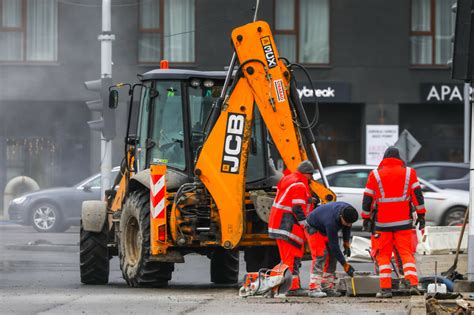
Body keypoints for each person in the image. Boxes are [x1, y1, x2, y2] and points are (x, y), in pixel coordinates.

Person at [362, 146, 426, 298]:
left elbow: (367, 199)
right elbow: (417, 195)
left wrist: (365, 217)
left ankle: (386, 290)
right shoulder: (410, 173)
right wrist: (421, 215)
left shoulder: (375, 174)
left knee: (383, 255)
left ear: (384, 158)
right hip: (403, 222)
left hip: (382, 224)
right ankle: (413, 284)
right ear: (399, 158)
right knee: (406, 253)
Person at [268, 160, 315, 296]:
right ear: (306, 174)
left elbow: (292, 200)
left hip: (278, 224)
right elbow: (297, 208)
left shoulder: (289, 180)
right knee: (292, 258)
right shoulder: (300, 184)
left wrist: (310, 200)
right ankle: (293, 288)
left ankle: (284, 285)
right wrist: (305, 225)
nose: (311, 178)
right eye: (310, 175)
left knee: (286, 258)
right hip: (288, 225)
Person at [305, 201, 358, 298]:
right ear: (341, 217)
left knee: (332, 257)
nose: (349, 225)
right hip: (313, 227)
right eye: (347, 222)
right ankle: (313, 288)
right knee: (320, 255)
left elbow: (347, 227)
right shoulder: (331, 222)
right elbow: (334, 245)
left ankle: (327, 287)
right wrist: (344, 264)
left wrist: (346, 243)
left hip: (324, 227)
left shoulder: (349, 211)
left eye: (351, 223)